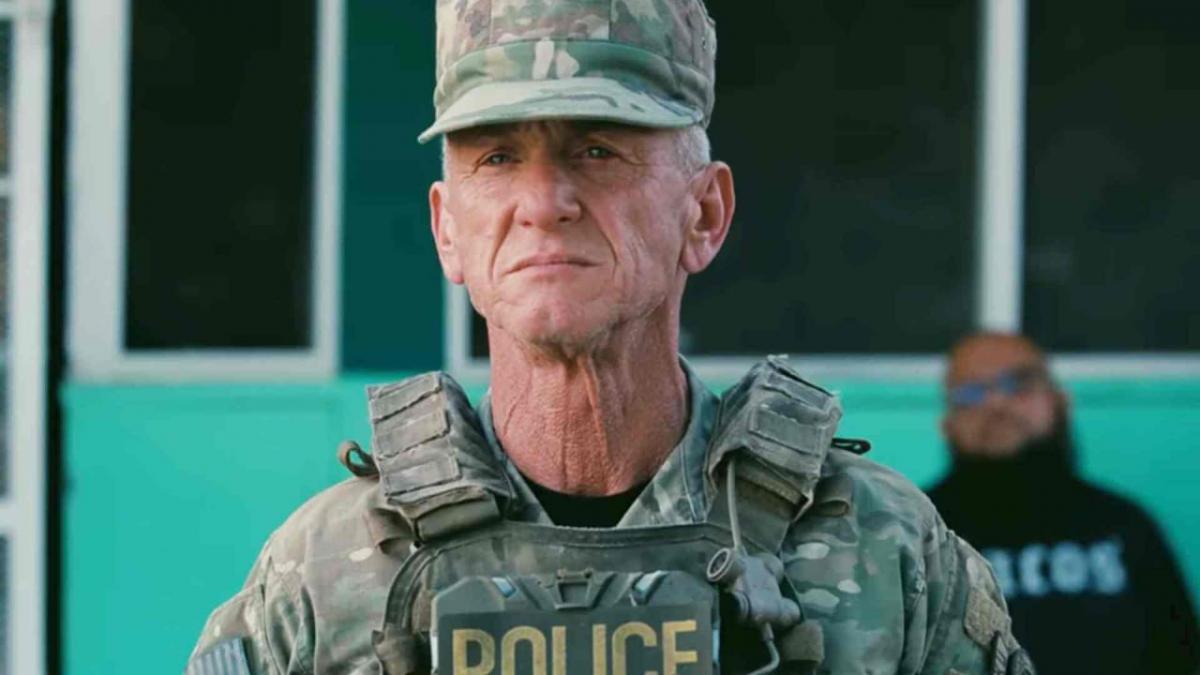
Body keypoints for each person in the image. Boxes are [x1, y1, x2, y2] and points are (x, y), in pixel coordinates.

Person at [187, 2, 1029, 673]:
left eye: (597, 148)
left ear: (704, 213)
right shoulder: (326, 568)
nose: (544, 202)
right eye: (497, 157)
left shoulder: (881, 550)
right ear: (447, 230)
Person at [927, 332, 1199, 675]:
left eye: (1018, 383)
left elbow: (1179, 656)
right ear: (947, 425)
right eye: (971, 393)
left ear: (1061, 402)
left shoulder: (1124, 524)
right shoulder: (914, 531)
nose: (996, 403)